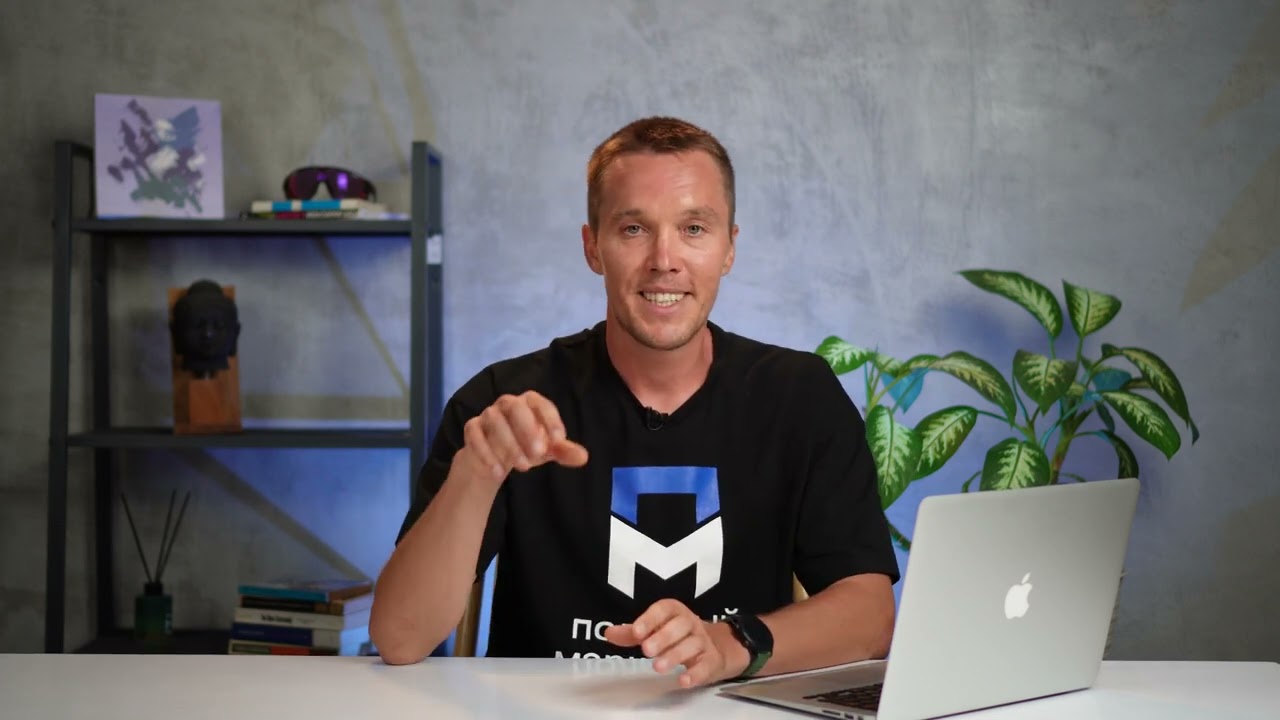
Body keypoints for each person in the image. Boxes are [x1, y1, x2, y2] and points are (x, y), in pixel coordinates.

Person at [369, 116, 900, 688]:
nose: (664, 259)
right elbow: (400, 637)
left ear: (729, 248)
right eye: (633, 229)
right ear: (592, 247)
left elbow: (871, 617)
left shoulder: (800, 396)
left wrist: (731, 644)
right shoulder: (504, 404)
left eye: (693, 228)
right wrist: (476, 473)